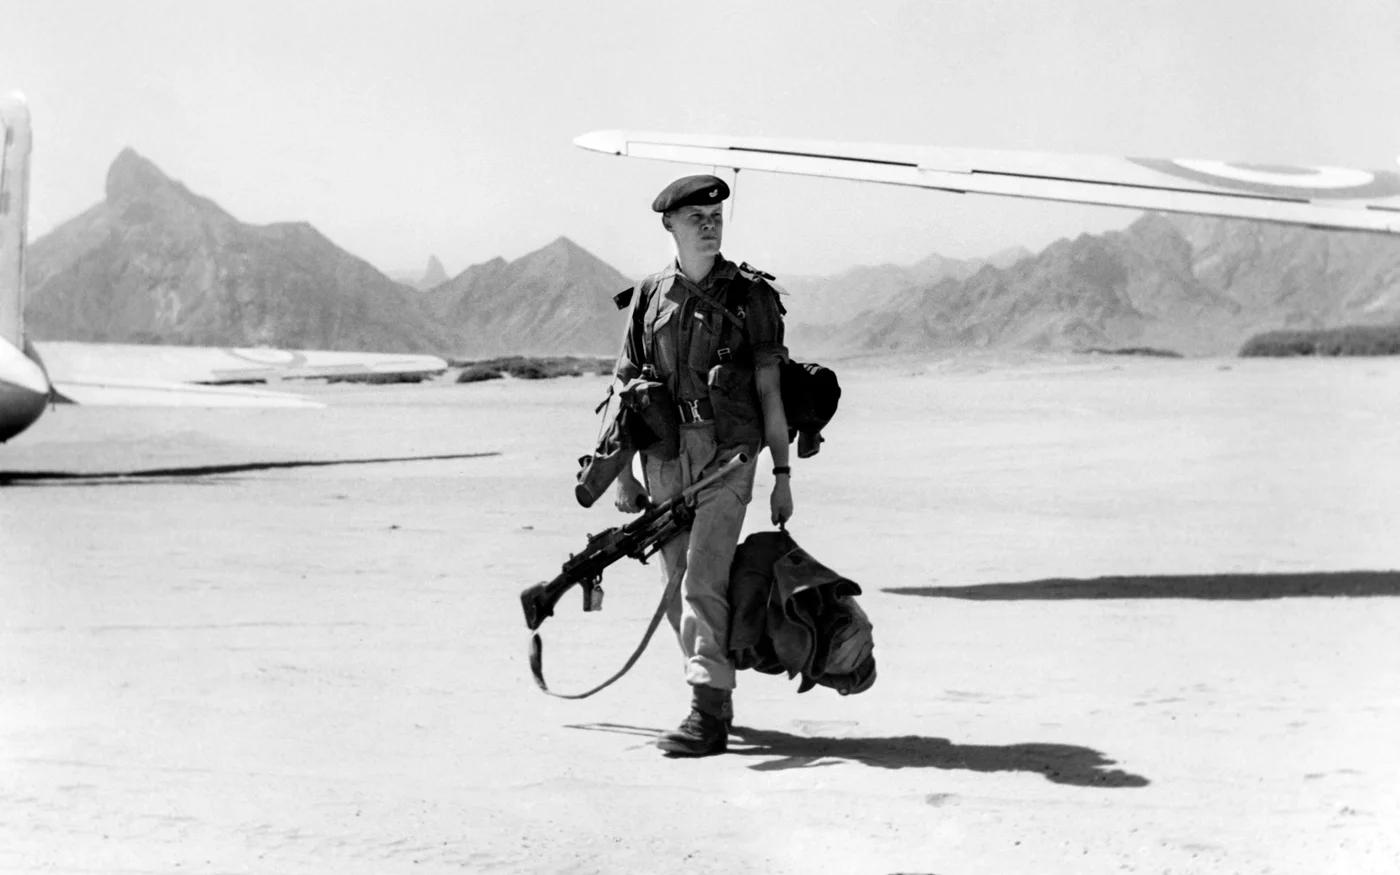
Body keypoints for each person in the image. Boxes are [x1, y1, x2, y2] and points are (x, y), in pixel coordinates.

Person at [611, 174, 793, 756]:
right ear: (670, 224)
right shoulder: (648, 296)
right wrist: (622, 474)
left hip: (728, 453)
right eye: (697, 218)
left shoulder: (751, 297)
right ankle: (712, 691)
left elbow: (770, 392)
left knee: (703, 577)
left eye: (716, 218)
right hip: (664, 455)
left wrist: (782, 475)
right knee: (675, 586)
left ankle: (707, 716)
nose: (710, 226)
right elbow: (624, 388)